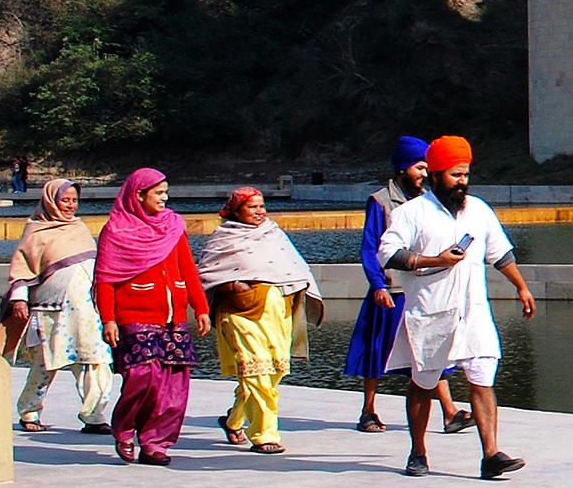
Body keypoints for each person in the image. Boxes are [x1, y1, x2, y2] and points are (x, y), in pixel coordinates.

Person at [378, 135, 535, 480]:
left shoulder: (478, 210)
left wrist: (521, 286)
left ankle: (491, 455)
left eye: (465, 174)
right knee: (424, 382)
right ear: (435, 175)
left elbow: (500, 253)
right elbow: (388, 253)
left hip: (473, 311)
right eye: (454, 175)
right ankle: (418, 452)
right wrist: (435, 260)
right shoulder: (411, 213)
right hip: (430, 311)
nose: (461, 181)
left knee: (482, 378)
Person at [349, 138, 467, 435]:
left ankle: (450, 412)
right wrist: (378, 285)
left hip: (421, 289)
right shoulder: (381, 201)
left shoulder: (429, 201)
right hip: (391, 289)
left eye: (427, 168)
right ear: (403, 168)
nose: (424, 174)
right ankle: (368, 410)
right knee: (378, 351)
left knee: (430, 349)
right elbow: (370, 248)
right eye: (419, 168)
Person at [96, 169, 209, 466]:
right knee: (142, 376)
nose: (164, 198)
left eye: (165, 192)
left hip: (173, 317)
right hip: (134, 314)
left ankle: (155, 442)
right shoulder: (116, 231)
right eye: (158, 193)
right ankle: (125, 430)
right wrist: (108, 319)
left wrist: (200, 307)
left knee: (173, 385)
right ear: (138, 195)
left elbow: (187, 268)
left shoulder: (173, 225)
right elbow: (105, 278)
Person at [199, 187, 323, 454]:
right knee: (256, 371)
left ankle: (233, 420)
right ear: (236, 211)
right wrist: (232, 285)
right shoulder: (224, 238)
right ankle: (264, 434)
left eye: (262, 206)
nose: (259, 212)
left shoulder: (274, 234)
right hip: (240, 313)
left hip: (278, 313)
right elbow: (207, 274)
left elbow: (294, 267)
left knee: (273, 371)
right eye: (252, 207)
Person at [0, 177, 111, 434]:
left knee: (95, 360)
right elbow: (22, 271)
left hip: (86, 312)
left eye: (74, 200)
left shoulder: (80, 229)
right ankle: (29, 410)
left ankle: (94, 415)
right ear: (51, 200)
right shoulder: (36, 231)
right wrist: (19, 300)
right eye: (65, 200)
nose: (70, 205)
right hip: (50, 312)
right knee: (44, 364)